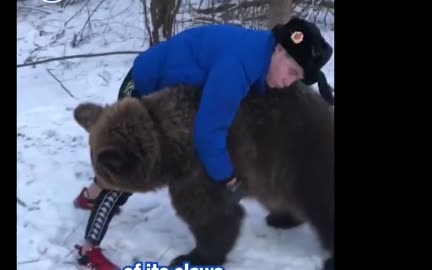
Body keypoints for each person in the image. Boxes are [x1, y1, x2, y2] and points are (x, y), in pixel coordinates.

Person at [73, 17, 334, 270]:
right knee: (127, 168)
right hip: (145, 88)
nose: (289, 81)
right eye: (291, 72)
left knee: (308, 174)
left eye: (296, 76)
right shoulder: (236, 68)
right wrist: (228, 179)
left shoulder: (261, 53)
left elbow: (210, 131)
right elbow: (209, 135)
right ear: (279, 49)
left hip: (171, 93)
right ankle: (91, 236)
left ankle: (97, 190)